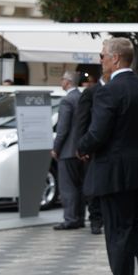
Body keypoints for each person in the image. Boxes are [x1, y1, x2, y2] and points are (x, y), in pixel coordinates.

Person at [77, 38, 138, 275]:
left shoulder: (109, 92)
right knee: (130, 224)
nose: (100, 60)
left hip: (114, 175)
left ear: (115, 59)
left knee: (117, 234)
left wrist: (82, 146)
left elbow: (98, 133)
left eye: (102, 55)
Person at [72, 73, 106, 235]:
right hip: (93, 147)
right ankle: (95, 220)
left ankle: (106, 217)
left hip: (111, 148)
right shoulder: (91, 92)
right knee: (93, 186)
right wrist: (82, 146)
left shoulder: (116, 90)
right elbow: (82, 121)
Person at [52, 71, 85, 230]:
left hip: (67, 150)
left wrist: (56, 148)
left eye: (62, 79)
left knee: (68, 186)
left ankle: (70, 218)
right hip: (81, 150)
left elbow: (62, 128)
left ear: (68, 82)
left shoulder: (67, 101)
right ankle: (80, 217)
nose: (61, 81)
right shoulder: (82, 98)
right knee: (79, 186)